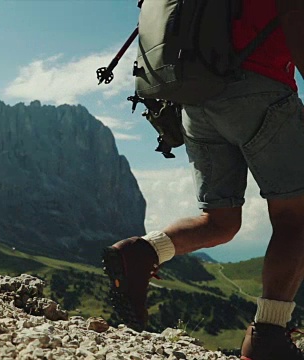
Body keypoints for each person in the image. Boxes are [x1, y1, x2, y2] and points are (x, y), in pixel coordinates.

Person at [102, 0, 304, 358]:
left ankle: (142, 252)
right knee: (295, 218)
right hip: (260, 87)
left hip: (197, 99)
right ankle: (268, 335)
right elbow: (292, 13)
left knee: (219, 220)